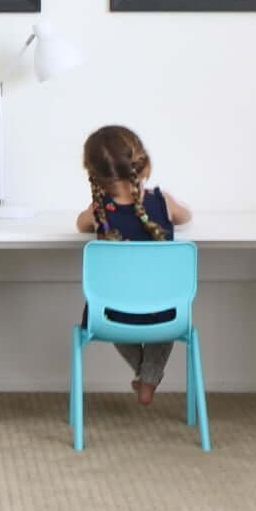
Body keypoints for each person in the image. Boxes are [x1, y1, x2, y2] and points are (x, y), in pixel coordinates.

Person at [76, 124, 190, 407]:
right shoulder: (163, 203)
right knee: (168, 314)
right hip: (165, 315)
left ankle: (144, 374)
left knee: (106, 311)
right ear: (143, 164)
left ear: (96, 176)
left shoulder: (99, 211)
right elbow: (186, 216)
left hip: (112, 317)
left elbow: (80, 225)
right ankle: (149, 377)